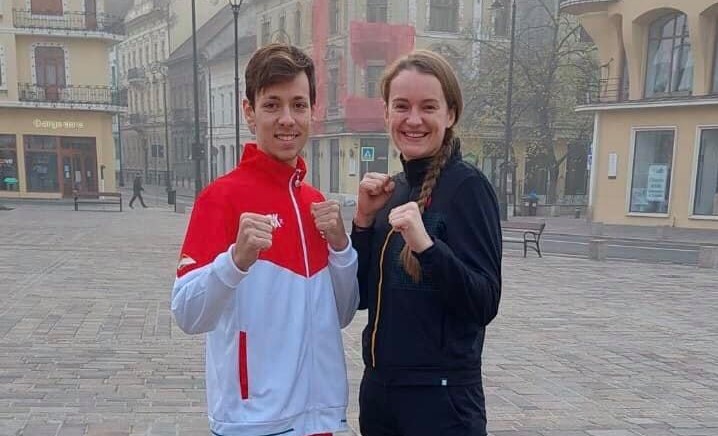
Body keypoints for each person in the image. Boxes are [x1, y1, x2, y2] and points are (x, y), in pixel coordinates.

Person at [171, 44, 360, 436]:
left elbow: (341, 315)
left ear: (312, 111)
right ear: (249, 112)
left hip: (321, 417)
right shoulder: (220, 198)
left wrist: (342, 249)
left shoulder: (315, 203)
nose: (287, 119)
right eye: (272, 105)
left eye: (299, 105)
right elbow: (187, 314)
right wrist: (235, 261)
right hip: (252, 422)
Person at [351, 50, 503, 436]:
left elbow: (484, 302)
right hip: (380, 396)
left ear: (450, 114)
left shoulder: (468, 187)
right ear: (386, 112)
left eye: (428, 107)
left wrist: (428, 248)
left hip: (441, 402)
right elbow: (362, 297)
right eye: (402, 106)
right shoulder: (394, 190)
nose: (414, 119)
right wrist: (363, 223)